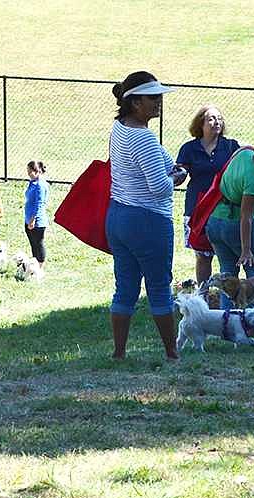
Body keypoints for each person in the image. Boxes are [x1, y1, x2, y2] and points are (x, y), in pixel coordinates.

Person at [106, 71, 186, 361]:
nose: (159, 102)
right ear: (135, 102)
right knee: (159, 287)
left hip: (117, 217)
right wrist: (177, 177)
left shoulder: (118, 128)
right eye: (153, 97)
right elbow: (160, 189)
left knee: (124, 286)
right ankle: (172, 352)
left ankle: (119, 353)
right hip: (148, 221)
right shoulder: (144, 139)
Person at [204, 144, 254, 305]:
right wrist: (246, 250)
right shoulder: (253, 182)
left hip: (215, 221)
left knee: (226, 276)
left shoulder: (246, 153)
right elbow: (246, 217)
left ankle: (226, 318)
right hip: (234, 226)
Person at [177, 105, 241, 284]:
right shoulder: (189, 148)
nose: (216, 122)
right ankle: (204, 296)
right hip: (197, 207)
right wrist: (177, 174)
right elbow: (181, 171)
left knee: (227, 255)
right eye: (211, 119)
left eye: (219, 118)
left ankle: (228, 297)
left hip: (223, 206)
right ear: (200, 124)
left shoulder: (231, 146)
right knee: (203, 255)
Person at [24, 160, 50, 269]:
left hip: (37, 221)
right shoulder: (33, 182)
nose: (28, 174)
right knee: (33, 243)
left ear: (37, 171)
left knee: (38, 243)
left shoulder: (40, 185)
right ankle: (34, 263)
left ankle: (40, 266)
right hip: (28, 218)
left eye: (30, 172)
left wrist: (33, 219)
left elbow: (39, 204)